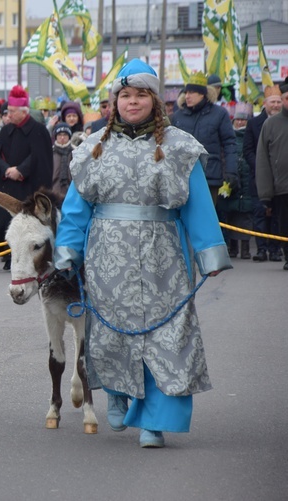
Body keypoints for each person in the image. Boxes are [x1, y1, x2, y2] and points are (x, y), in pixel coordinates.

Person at [54, 59, 232, 449]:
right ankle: (118, 393)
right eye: (124, 96)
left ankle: (155, 420)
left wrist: (209, 250)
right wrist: (67, 248)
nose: (132, 103)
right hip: (107, 255)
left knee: (168, 334)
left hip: (163, 256)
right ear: (114, 101)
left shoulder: (179, 146)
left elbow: (198, 203)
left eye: (140, 96)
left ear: (154, 100)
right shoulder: (92, 148)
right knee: (112, 332)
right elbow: (76, 206)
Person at [0, 85, 53, 269]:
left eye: (11, 111)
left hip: (29, 187)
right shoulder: (5, 131)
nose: (8, 115)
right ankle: (9, 256)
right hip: (9, 187)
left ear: (23, 111)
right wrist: (6, 170)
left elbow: (39, 157)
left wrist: (20, 170)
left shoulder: (38, 131)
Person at [172, 72, 238, 204]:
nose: (187, 96)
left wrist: (231, 171)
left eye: (191, 92)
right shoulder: (177, 116)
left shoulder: (219, 114)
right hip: (182, 178)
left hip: (210, 178)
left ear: (202, 94)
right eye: (186, 92)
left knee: (206, 220)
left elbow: (229, 144)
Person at [244, 84, 284, 262]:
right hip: (259, 176)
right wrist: (260, 167)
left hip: (281, 179)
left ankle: (276, 249)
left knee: (278, 216)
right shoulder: (254, 123)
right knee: (260, 214)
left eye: (278, 101)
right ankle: (261, 248)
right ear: (265, 104)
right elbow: (249, 149)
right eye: (272, 102)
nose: (275, 105)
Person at [256, 77, 288, 271]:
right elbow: (263, 161)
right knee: (284, 225)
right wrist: (266, 194)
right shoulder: (271, 125)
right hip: (283, 187)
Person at [218, 102, 254, 259]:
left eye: (244, 120)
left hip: (247, 181)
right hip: (231, 182)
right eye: (238, 120)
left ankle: (245, 249)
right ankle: (233, 248)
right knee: (231, 216)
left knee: (246, 217)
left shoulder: (250, 136)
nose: (240, 123)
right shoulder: (228, 138)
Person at [51, 122, 73, 198]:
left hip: (71, 192)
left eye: (65, 135)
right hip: (53, 192)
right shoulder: (50, 152)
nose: (62, 137)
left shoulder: (75, 152)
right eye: (60, 135)